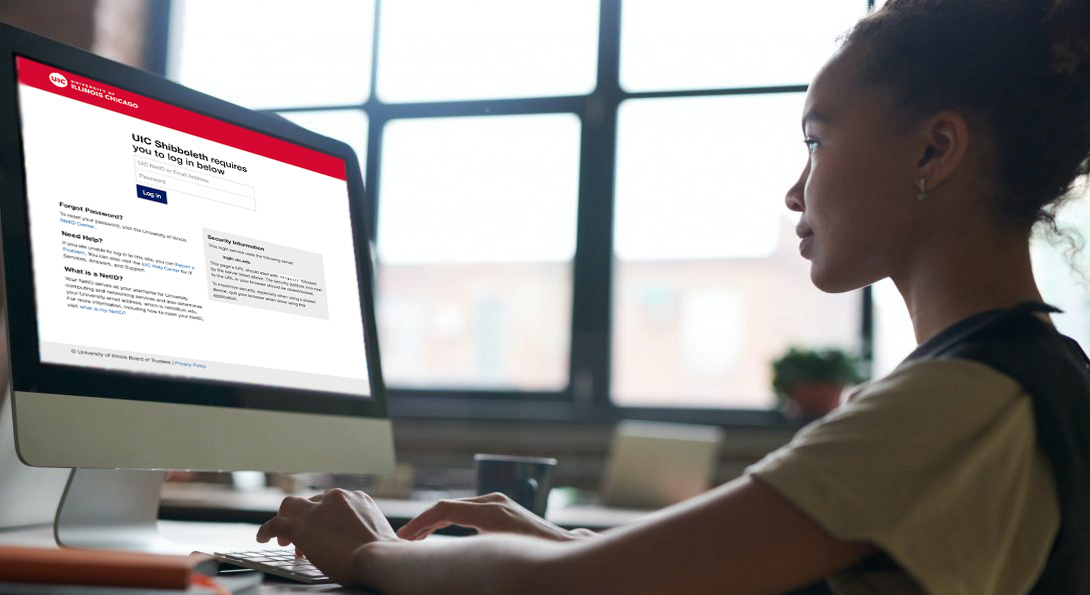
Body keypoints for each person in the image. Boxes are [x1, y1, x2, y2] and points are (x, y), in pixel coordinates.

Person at [256, 0, 1090, 592]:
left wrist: (370, 554)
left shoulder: (959, 403)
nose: (796, 192)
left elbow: (574, 590)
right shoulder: (1036, 377)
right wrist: (552, 538)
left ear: (935, 150)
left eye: (817, 140)